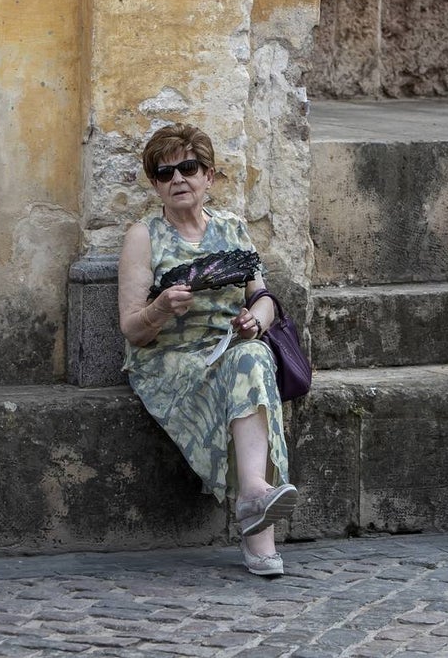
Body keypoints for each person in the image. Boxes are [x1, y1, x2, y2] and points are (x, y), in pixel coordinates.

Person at [118, 123, 299, 576]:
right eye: (165, 173)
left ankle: (254, 495)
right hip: (169, 359)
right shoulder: (144, 236)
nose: (178, 179)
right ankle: (258, 527)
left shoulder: (233, 229)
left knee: (254, 356)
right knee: (248, 370)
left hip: (229, 348)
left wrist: (256, 320)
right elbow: (132, 329)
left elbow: (263, 297)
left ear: (209, 176)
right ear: (156, 184)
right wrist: (160, 308)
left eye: (188, 167)